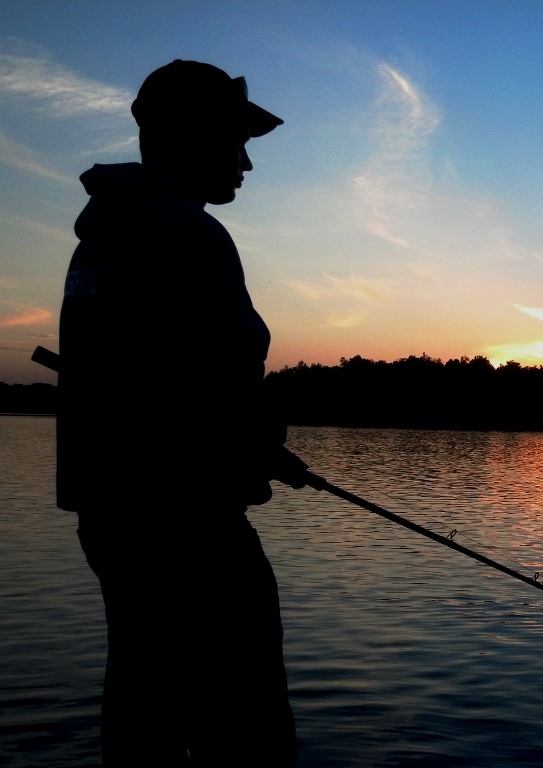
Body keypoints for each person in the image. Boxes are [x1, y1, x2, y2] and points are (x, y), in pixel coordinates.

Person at [57, 60, 308, 766]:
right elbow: (227, 378)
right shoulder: (188, 233)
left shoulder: (101, 237)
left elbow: (159, 382)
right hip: (190, 528)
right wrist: (262, 436)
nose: (246, 163)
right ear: (195, 137)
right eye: (236, 142)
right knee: (247, 732)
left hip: (113, 520)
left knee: (142, 712)